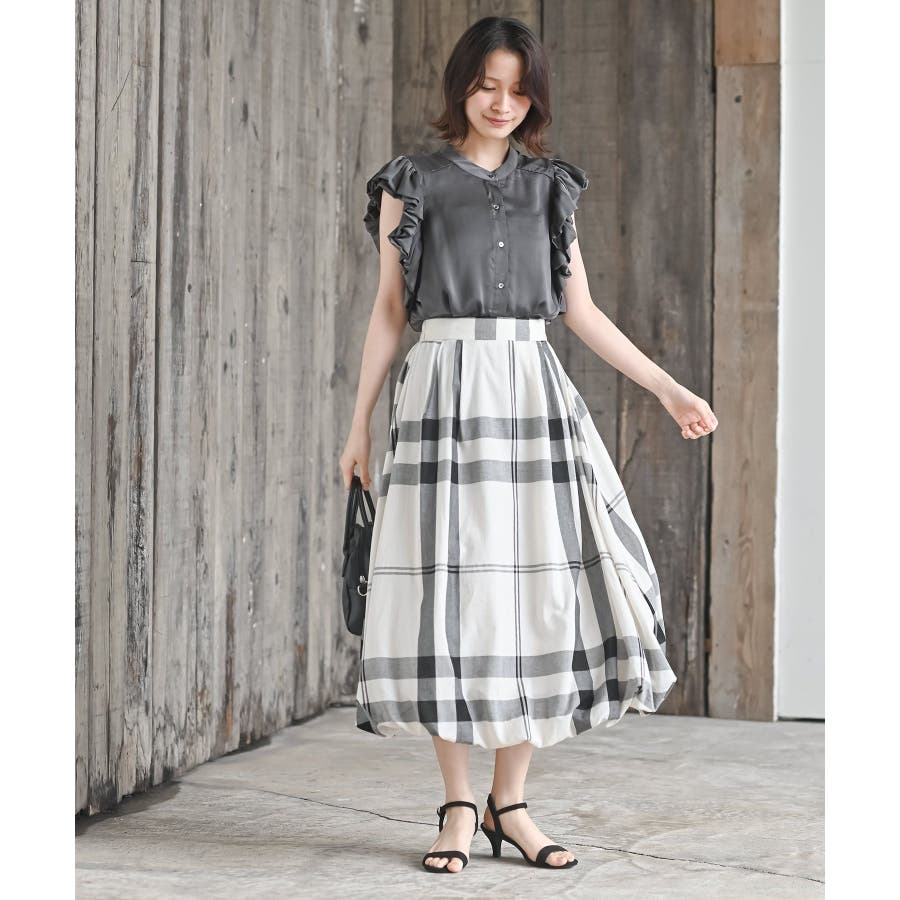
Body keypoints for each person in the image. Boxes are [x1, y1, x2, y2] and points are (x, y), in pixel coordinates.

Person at [339, 16, 717, 875]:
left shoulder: (550, 188)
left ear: (533, 97)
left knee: (535, 596)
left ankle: (509, 805)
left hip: (530, 393)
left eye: (517, 89)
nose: (501, 103)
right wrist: (357, 425)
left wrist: (667, 387)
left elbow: (581, 313)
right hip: (441, 393)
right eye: (486, 86)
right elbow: (390, 312)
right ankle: (456, 805)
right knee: (448, 598)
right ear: (461, 88)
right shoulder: (414, 181)